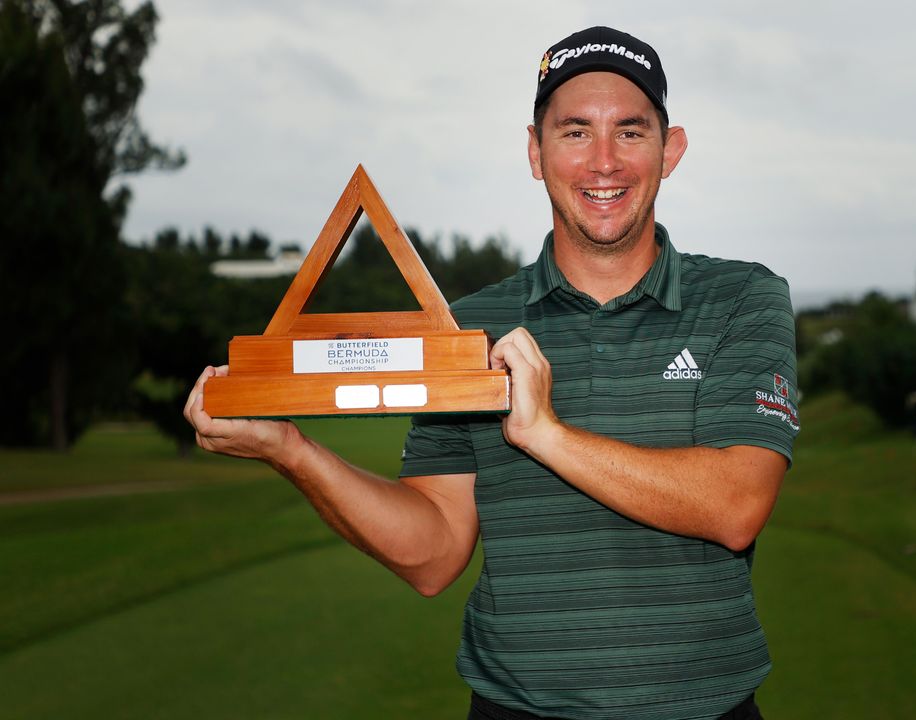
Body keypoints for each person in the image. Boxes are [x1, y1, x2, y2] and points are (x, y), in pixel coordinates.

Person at [185, 26, 799, 720]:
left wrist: (545, 434)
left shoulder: (744, 298)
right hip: (517, 709)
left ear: (671, 149)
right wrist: (290, 451)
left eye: (630, 132)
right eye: (573, 133)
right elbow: (434, 552)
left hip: (706, 709)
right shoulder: (470, 328)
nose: (603, 162)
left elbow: (735, 505)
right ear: (535, 153)